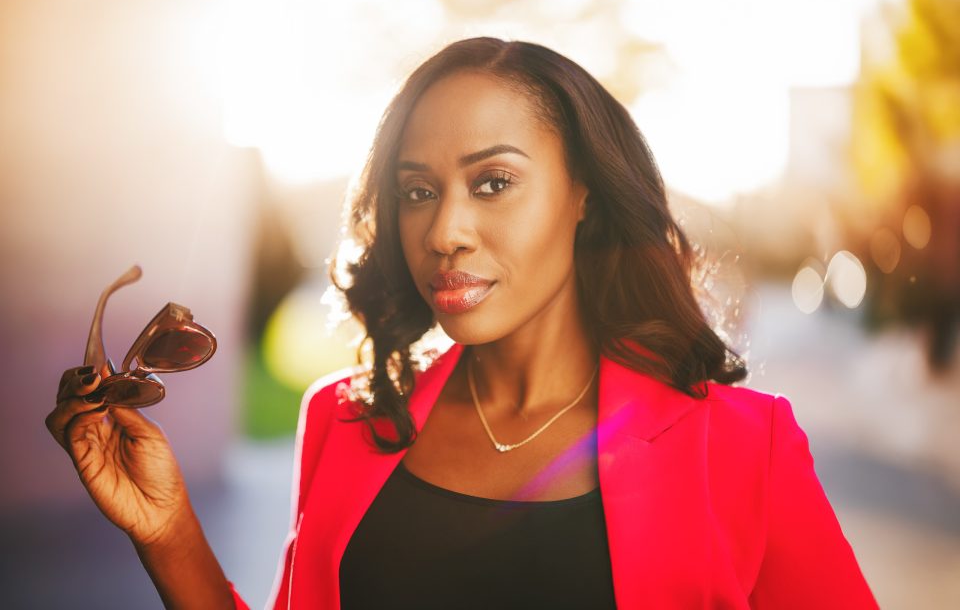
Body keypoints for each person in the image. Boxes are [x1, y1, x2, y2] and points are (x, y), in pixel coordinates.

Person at [46, 37, 879, 609]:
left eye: (492, 183)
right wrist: (168, 534)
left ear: (584, 194)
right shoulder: (343, 423)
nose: (444, 231)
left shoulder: (742, 446)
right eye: (417, 191)